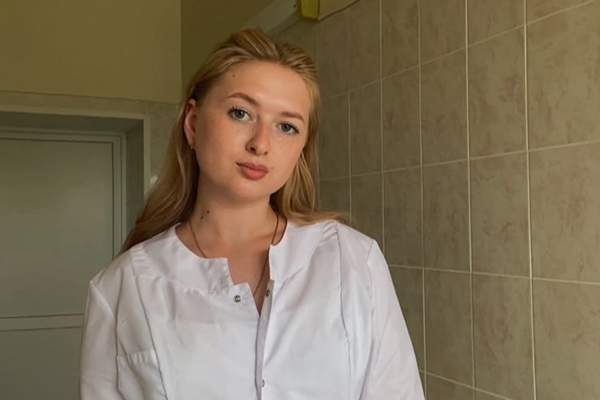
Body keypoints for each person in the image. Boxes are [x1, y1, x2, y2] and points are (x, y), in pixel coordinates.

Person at [79, 29, 424, 400]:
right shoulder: (121, 288)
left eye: (286, 127)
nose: (261, 144)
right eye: (240, 113)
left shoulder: (352, 260)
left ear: (301, 148)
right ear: (193, 123)